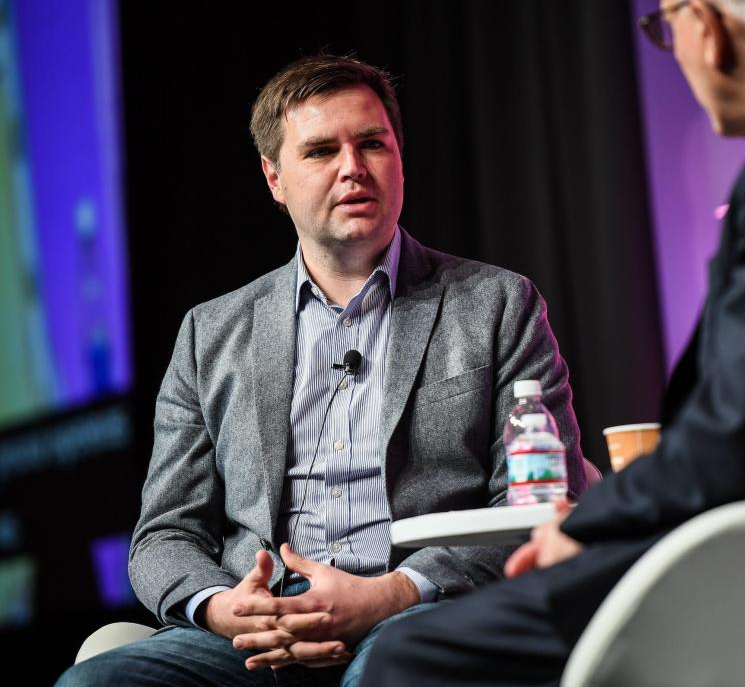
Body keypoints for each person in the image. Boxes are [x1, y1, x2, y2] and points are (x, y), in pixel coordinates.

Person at [359, 0, 745, 684]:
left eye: (666, 27)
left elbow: (737, 437)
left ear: (707, 28)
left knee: (412, 655)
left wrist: (585, 527)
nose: (673, 49)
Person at [56, 54, 586, 686]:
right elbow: (164, 534)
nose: (352, 169)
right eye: (319, 152)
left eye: (372, 144)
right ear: (274, 178)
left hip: (417, 614)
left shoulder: (497, 305)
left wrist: (393, 592)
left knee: (393, 669)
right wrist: (227, 607)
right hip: (251, 637)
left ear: (399, 158)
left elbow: (542, 506)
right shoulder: (210, 334)